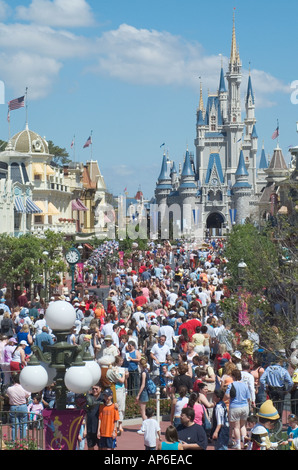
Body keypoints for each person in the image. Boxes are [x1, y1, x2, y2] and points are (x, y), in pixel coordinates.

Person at [224, 368, 251, 450]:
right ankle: (244, 441)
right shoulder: (244, 385)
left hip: (235, 406)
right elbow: (248, 397)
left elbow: (227, 396)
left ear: (234, 376)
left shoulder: (231, 385)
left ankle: (238, 443)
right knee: (242, 425)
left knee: (236, 426)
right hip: (245, 406)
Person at [6, 373, 31, 441]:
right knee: (23, 425)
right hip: (23, 406)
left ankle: (14, 441)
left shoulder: (9, 389)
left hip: (13, 407)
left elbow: (7, 395)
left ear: (13, 380)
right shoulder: (23, 388)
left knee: (14, 426)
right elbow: (28, 395)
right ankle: (23, 441)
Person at [85, 383, 104, 450]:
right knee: (90, 446)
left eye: (96, 389)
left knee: (101, 447)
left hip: (100, 427)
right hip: (90, 426)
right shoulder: (88, 397)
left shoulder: (103, 398)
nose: (94, 390)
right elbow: (85, 414)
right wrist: (85, 429)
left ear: (100, 389)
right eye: (93, 388)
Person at [136, 358, 150, 428]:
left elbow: (143, 384)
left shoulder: (143, 373)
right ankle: (145, 425)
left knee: (142, 410)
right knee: (142, 410)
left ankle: (145, 426)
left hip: (144, 392)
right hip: (145, 391)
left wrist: (138, 394)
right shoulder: (146, 371)